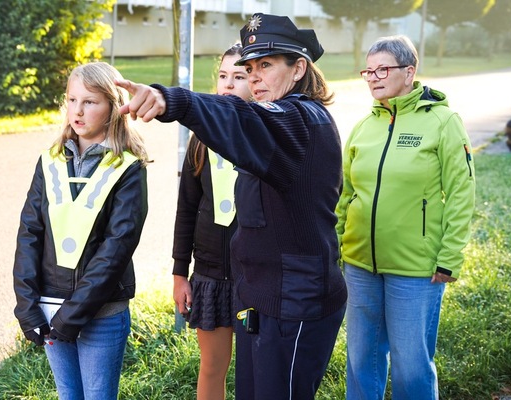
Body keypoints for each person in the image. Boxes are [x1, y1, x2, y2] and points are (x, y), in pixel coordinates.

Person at [117, 13, 347, 400]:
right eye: (250, 67)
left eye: (266, 65)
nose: (253, 76)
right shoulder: (277, 121)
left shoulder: (301, 119)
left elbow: (241, 117)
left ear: (299, 68)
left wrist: (171, 99)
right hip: (257, 297)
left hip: (294, 304)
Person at [335, 35, 476, 400]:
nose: (373, 77)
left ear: (409, 71)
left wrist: (449, 256)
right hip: (360, 265)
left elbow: (462, 194)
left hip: (416, 269)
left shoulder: (443, 122)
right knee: (361, 359)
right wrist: (336, 244)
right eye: (368, 70)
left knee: (411, 363)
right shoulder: (365, 127)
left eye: (383, 69)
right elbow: (346, 194)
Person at [12, 62, 149, 400]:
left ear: (112, 108)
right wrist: (26, 304)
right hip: (50, 307)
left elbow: (116, 249)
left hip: (101, 314)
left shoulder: (128, 168)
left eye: (90, 102)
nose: (78, 110)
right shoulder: (49, 161)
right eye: (72, 100)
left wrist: (72, 316)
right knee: (68, 395)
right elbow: (29, 233)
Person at [172, 43, 251, 400]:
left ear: (257, 81)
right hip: (210, 276)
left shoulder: (269, 133)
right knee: (212, 367)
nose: (228, 84)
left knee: (255, 374)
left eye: (239, 76)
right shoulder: (201, 137)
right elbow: (186, 207)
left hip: (256, 280)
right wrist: (179, 272)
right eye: (223, 76)